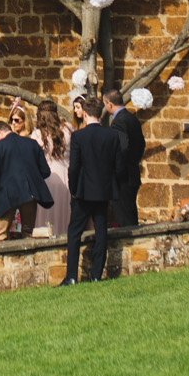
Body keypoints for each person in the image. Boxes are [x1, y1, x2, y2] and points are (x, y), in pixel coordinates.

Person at [63, 96, 120, 284]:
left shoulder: (79, 136)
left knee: (74, 232)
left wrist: (73, 188)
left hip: (83, 190)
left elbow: (74, 167)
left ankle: (71, 276)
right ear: (100, 114)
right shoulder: (111, 135)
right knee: (101, 230)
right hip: (103, 190)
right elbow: (117, 165)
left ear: (85, 114)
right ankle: (96, 274)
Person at [0, 108, 54, 239]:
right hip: (30, 194)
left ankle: (0, 260)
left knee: (0, 235)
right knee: (28, 234)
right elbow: (45, 171)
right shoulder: (32, 144)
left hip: (7, 195)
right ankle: (28, 260)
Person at [104, 88, 146, 226]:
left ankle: (129, 246)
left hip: (124, 178)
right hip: (132, 173)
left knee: (124, 218)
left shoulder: (119, 121)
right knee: (130, 213)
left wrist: (117, 171)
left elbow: (122, 148)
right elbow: (141, 144)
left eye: (105, 103)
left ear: (109, 103)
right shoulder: (132, 118)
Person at [32, 100, 71, 238]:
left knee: (45, 216)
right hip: (65, 176)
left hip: (46, 178)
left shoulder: (37, 135)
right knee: (64, 213)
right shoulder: (67, 130)